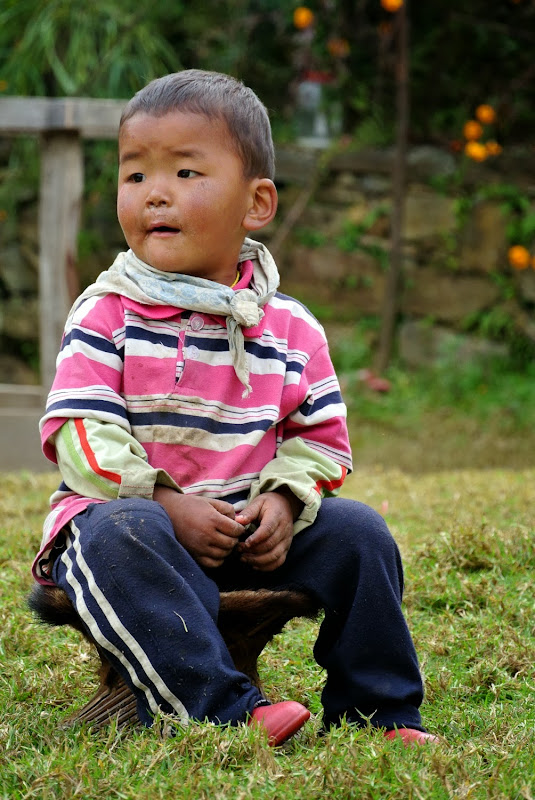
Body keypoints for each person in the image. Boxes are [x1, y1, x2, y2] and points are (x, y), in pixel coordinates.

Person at [32, 69, 438, 746]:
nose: (154, 193)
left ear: (256, 203)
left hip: (241, 532)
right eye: (134, 177)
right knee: (118, 529)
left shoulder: (290, 327)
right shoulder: (107, 315)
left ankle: (378, 710)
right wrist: (165, 501)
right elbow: (80, 431)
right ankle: (226, 708)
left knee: (358, 533)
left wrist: (280, 504)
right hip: (132, 531)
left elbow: (321, 441)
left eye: (186, 172)